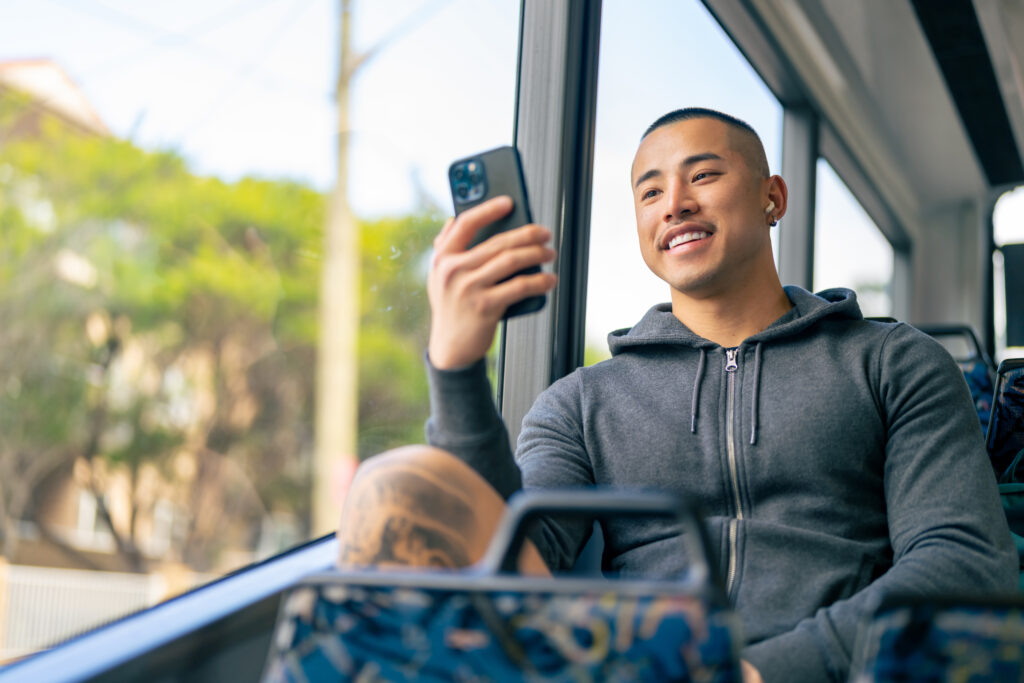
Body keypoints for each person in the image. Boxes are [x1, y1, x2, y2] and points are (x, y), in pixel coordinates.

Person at [337, 108, 1018, 682]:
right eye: (650, 192)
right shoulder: (579, 403)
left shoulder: (894, 362)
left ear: (771, 197)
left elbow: (963, 560)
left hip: (832, 673)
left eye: (704, 175)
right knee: (395, 484)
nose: (676, 204)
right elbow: (509, 565)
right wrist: (456, 365)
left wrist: (761, 671)